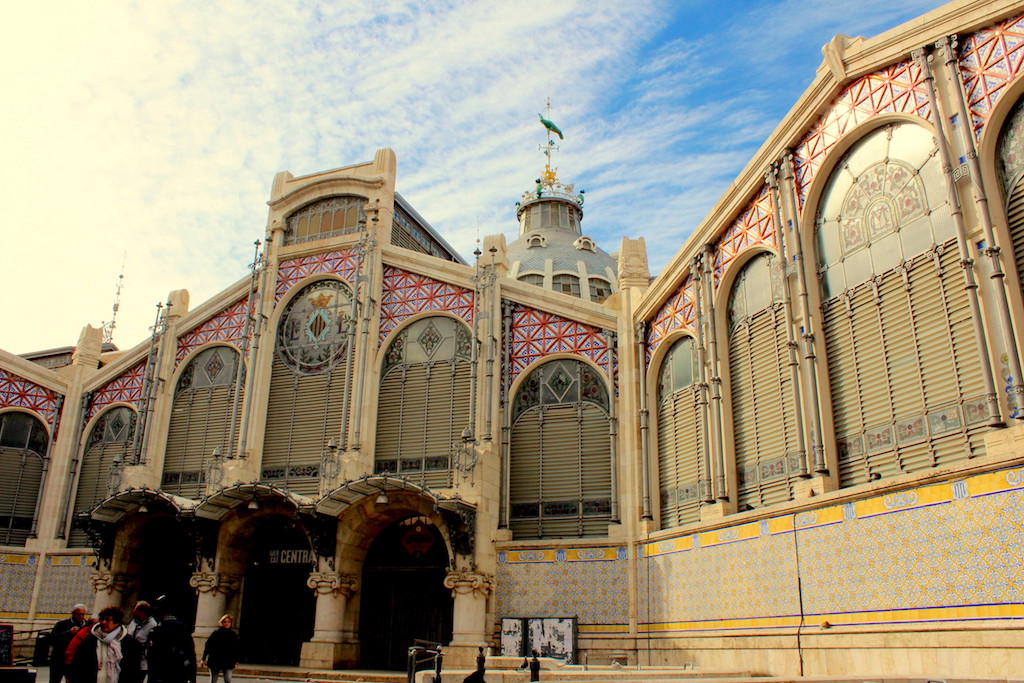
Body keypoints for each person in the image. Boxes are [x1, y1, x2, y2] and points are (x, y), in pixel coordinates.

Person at [66, 606, 142, 683]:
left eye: (108, 620)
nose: (103, 622)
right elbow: (77, 664)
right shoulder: (90, 640)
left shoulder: (129, 643)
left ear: (117, 622)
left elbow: (133, 669)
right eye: (102, 619)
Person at [147, 599, 197, 683]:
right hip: (179, 671)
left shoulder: (157, 630)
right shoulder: (182, 628)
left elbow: (152, 656)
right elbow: (190, 653)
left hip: (161, 672)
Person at [50, 604, 89, 683]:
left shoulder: (87, 625)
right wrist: (68, 632)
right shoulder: (62, 624)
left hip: (75, 660)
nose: (81, 616)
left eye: (83, 614)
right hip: (59, 658)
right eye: (79, 614)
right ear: (73, 613)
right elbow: (52, 638)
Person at [200, 615, 239, 683]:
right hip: (215, 660)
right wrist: (203, 658)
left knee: (228, 679)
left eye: (228, 622)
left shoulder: (233, 635)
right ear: (221, 623)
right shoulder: (216, 634)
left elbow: (236, 649)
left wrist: (236, 660)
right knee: (213, 680)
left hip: (228, 661)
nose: (226, 624)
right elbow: (208, 646)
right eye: (225, 622)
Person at [126, 602, 158, 683]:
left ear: (142, 612)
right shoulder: (134, 622)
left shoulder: (152, 624)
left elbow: (150, 644)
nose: (134, 613)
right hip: (129, 659)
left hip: (141, 661)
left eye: (136, 611)